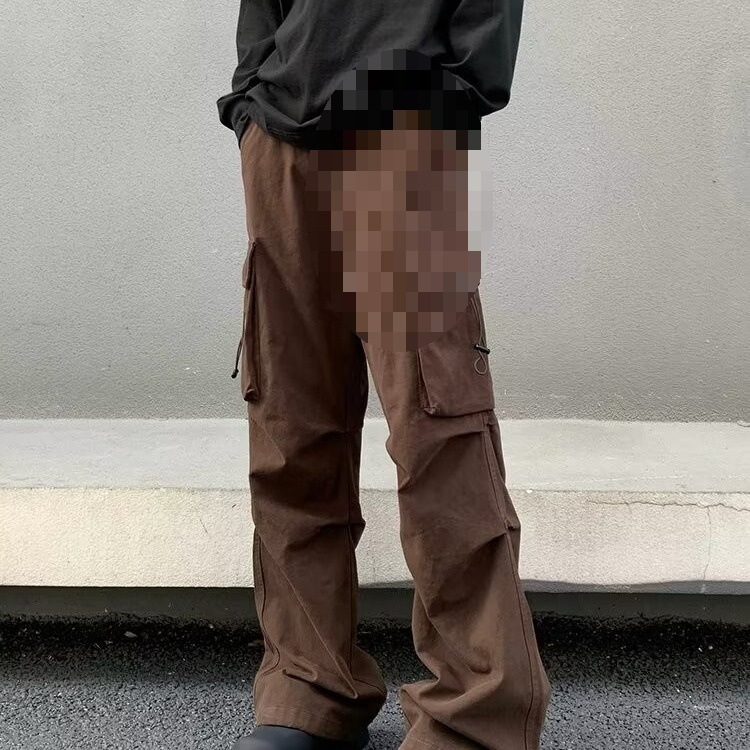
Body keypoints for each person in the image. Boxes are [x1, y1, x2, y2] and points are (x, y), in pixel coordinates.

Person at [217, 3, 550, 749]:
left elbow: (484, 41)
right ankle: (308, 690)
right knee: (288, 431)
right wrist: (252, 110)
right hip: (282, 149)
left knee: (439, 437)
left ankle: (476, 716)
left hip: (403, 148)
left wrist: (424, 121)